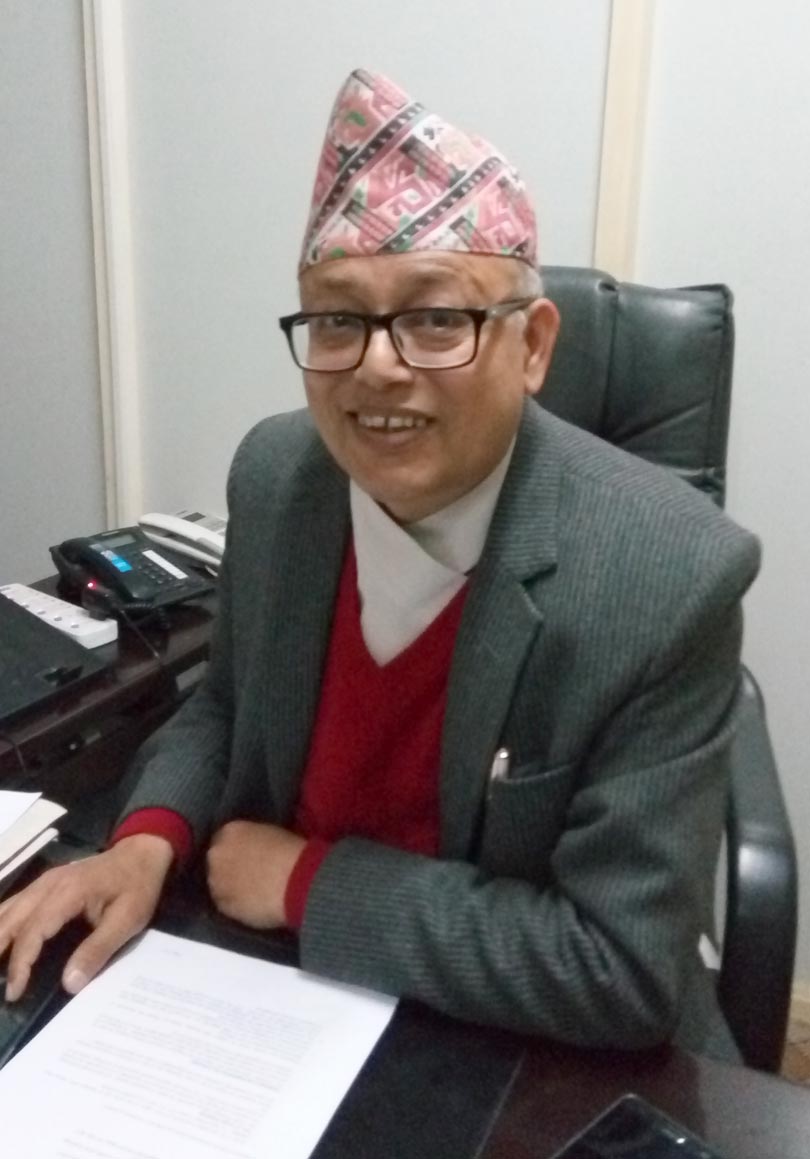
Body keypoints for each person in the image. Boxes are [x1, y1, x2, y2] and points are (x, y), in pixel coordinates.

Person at [0, 69, 759, 1059]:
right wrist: (146, 840)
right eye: (339, 320)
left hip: (510, 1040)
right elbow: (227, 705)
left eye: (437, 319)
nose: (377, 367)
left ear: (533, 346)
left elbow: (619, 967)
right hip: (269, 993)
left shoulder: (669, 573)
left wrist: (308, 884)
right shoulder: (281, 477)